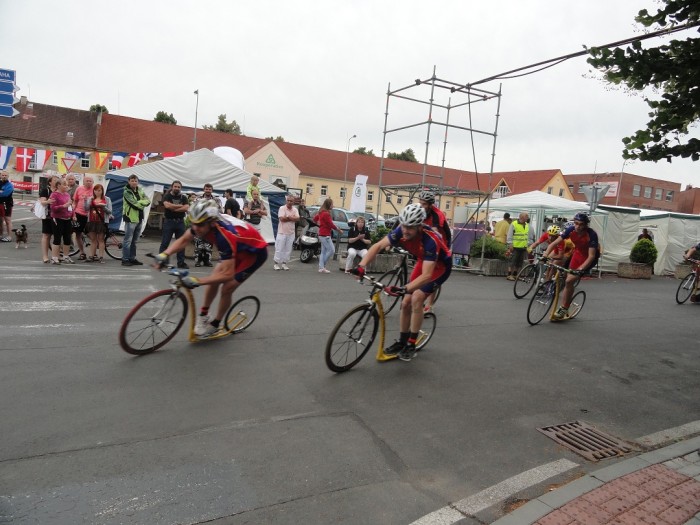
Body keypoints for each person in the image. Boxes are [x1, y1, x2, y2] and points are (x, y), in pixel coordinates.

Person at [152, 200, 268, 338]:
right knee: (214, 278)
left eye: (199, 224)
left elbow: (227, 275)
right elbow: (184, 240)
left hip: (253, 253)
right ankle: (204, 315)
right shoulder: (202, 223)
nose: (195, 228)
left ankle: (215, 324)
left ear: (212, 222)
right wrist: (164, 254)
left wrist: (197, 280)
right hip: (235, 247)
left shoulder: (224, 235)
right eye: (193, 223)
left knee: (227, 288)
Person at [353, 204, 452, 362]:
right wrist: (361, 266)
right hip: (423, 261)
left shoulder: (430, 240)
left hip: (440, 268)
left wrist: (403, 288)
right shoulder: (401, 229)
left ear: (419, 226)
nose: (406, 230)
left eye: (411, 227)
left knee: (416, 298)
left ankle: (411, 345)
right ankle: (401, 341)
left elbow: (427, 276)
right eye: (404, 225)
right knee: (405, 302)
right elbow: (378, 246)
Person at [542, 212, 599, 320]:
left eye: (581, 224)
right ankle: (564, 289)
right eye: (576, 223)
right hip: (577, 254)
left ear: (586, 225)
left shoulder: (591, 235)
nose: (577, 226)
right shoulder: (571, 229)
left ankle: (564, 308)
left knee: (569, 281)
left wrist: (580, 269)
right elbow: (553, 243)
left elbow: (591, 256)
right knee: (566, 278)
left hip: (588, 258)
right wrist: (545, 254)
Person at [121, 174, 151, 266]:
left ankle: (132, 258)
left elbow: (148, 201)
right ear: (129, 181)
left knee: (134, 241)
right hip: (131, 218)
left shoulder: (140, 190)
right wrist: (141, 203)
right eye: (132, 180)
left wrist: (140, 202)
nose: (134, 182)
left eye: (136, 181)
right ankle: (125, 259)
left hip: (139, 217)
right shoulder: (126, 192)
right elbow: (134, 204)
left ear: (138, 182)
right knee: (128, 240)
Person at [159, 181, 190, 269]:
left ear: (181, 188)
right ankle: (162, 262)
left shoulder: (184, 197)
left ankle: (181, 263)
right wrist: (180, 206)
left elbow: (186, 207)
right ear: (172, 187)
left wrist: (173, 208)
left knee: (181, 243)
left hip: (180, 222)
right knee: (165, 243)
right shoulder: (167, 196)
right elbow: (167, 206)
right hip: (169, 222)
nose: (177, 188)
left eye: (178, 187)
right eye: (175, 186)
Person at [49, 178, 75, 265]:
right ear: (59, 185)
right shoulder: (54, 195)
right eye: (64, 184)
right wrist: (63, 206)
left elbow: (70, 206)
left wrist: (73, 214)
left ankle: (66, 256)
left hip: (67, 218)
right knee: (57, 238)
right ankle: (54, 257)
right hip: (57, 218)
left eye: (67, 184)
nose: (66, 186)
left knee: (67, 238)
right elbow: (53, 208)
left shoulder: (67, 195)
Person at [193, 183, 220, 267]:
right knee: (199, 244)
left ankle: (207, 261)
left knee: (209, 245)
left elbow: (219, 211)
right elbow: (193, 210)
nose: (208, 190)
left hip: (210, 225)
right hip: (200, 224)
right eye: (206, 189)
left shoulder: (216, 200)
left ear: (212, 190)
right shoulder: (198, 199)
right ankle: (198, 261)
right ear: (204, 190)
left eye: (209, 189)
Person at [313, 198, 341, 273]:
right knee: (332, 250)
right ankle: (322, 265)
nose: (333, 205)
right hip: (325, 234)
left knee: (324, 251)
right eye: (332, 204)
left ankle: (321, 267)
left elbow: (315, 219)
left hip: (322, 233)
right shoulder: (326, 213)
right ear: (329, 205)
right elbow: (330, 224)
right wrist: (338, 229)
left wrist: (320, 224)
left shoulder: (321, 212)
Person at [85, 183, 111, 263]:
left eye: (99, 190)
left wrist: (103, 207)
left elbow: (110, 211)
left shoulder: (106, 199)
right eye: (95, 190)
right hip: (92, 221)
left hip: (102, 221)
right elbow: (86, 209)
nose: (97, 192)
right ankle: (91, 256)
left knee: (101, 239)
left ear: (102, 191)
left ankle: (101, 257)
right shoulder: (91, 199)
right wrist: (86, 201)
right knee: (93, 239)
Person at [273, 194, 299, 271]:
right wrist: (291, 218)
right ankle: (276, 264)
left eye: (291, 201)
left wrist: (288, 217)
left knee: (288, 249)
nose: (289, 202)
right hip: (282, 232)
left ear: (294, 202)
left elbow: (297, 218)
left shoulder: (295, 209)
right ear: (286, 201)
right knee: (279, 248)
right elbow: (282, 219)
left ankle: (284, 264)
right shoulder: (282, 208)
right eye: (288, 200)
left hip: (291, 233)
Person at [505, 212, 534, 281]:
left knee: (519, 262)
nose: (527, 218)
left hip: (523, 246)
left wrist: (528, 245)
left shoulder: (527, 225)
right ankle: (509, 275)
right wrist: (510, 244)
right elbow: (510, 234)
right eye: (526, 216)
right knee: (512, 260)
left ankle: (515, 274)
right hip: (515, 246)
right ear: (521, 217)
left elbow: (527, 236)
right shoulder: (514, 224)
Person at [72, 175, 94, 260]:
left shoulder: (95, 190)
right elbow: (75, 201)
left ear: (93, 182)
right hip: (79, 213)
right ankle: (82, 252)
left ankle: (93, 253)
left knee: (91, 235)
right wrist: (73, 213)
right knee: (78, 233)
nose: (88, 182)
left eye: (90, 181)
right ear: (83, 182)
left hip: (90, 215)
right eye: (87, 181)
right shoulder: (79, 189)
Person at [39, 175, 60, 263]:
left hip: (58, 215)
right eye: (54, 180)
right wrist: (48, 201)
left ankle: (56, 256)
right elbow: (42, 202)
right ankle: (45, 256)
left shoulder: (60, 191)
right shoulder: (45, 190)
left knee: (57, 236)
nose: (56, 182)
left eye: (57, 180)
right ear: (50, 182)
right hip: (48, 216)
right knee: (46, 235)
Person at [0, 170, 14, 242]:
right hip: (0, 204)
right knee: (0, 220)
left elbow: (4, 194)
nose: (4, 176)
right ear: (0, 176)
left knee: (7, 220)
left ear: (8, 176)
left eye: (5, 175)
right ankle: (1, 235)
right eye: (3, 175)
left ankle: (9, 236)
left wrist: (1, 192)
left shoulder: (10, 185)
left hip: (7, 204)